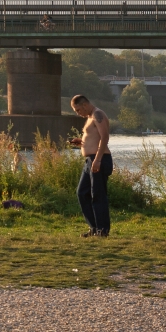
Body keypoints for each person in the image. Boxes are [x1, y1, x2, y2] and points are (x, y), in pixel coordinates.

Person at [69, 94, 113, 237]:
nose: (77, 113)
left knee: (98, 195)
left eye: (78, 110)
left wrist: (98, 160)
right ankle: (94, 228)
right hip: (90, 160)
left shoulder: (98, 114)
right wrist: (81, 141)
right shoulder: (90, 118)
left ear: (85, 105)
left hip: (99, 159)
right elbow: (94, 137)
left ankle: (102, 230)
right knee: (82, 193)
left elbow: (105, 137)